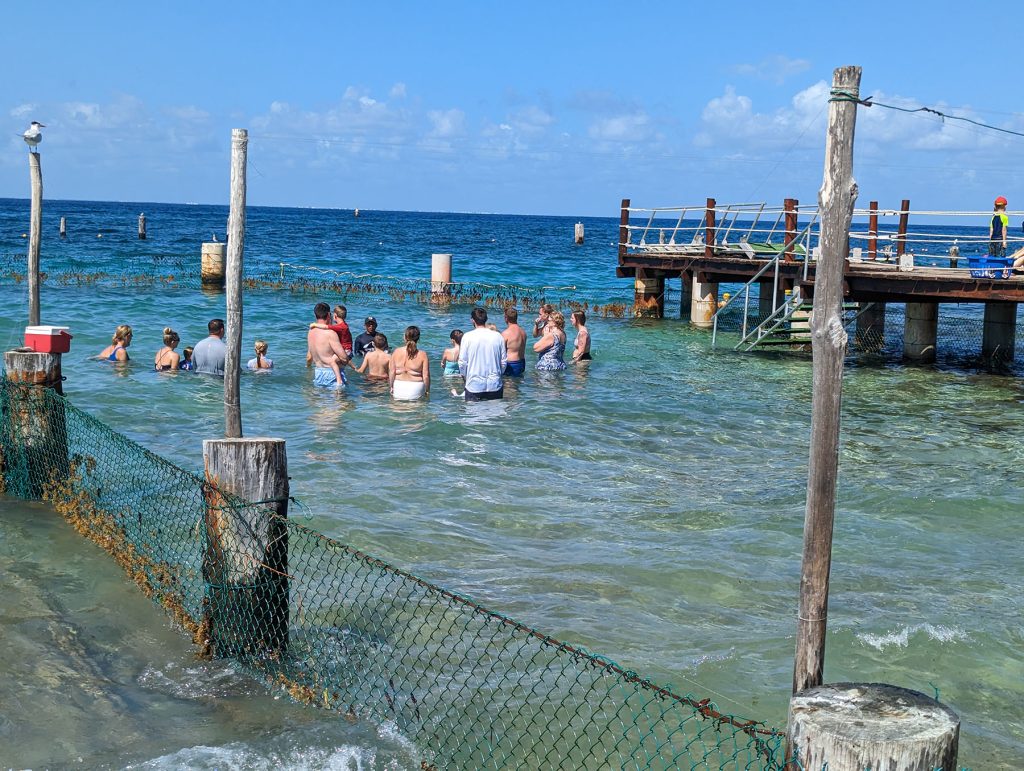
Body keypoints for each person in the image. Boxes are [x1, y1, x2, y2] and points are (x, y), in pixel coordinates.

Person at [458, 307, 507, 401]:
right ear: (486, 319)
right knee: (494, 415)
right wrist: (498, 375)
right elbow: (503, 362)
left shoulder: (467, 337)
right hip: (494, 384)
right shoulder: (498, 336)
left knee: (474, 415)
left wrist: (465, 377)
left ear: (472, 320)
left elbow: (462, 363)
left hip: (474, 385)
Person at [307, 302, 350, 389]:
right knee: (343, 402)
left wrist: (308, 369)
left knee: (321, 401)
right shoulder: (331, 333)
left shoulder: (311, 332)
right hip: (332, 375)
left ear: (316, 316)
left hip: (318, 373)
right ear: (328, 315)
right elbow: (344, 358)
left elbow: (308, 357)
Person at [390, 325, 430, 400]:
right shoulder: (423, 354)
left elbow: (392, 372)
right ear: (418, 339)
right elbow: (426, 376)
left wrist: (391, 387)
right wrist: (427, 391)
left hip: (399, 387)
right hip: (416, 388)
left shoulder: (396, 352)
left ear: (405, 337)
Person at [501, 306, 527, 376]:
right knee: (517, 385)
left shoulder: (506, 333)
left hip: (511, 364)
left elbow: (501, 352)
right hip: (522, 363)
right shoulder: (523, 332)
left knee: (508, 386)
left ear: (506, 318)